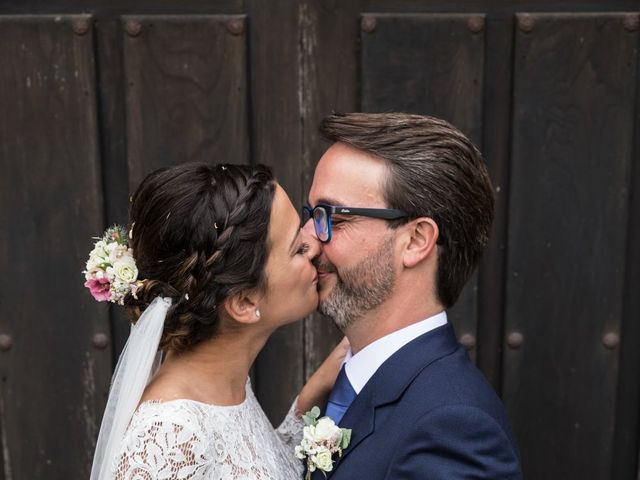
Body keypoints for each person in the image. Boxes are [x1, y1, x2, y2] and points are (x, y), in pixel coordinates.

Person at [88, 163, 347, 480]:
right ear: (244, 301)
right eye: (297, 248)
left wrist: (317, 390)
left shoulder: (223, 382)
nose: (315, 245)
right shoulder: (169, 437)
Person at [303, 113, 522, 479]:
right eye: (310, 214)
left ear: (416, 240)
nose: (307, 239)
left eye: (332, 218)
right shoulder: (346, 384)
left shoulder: (453, 429)